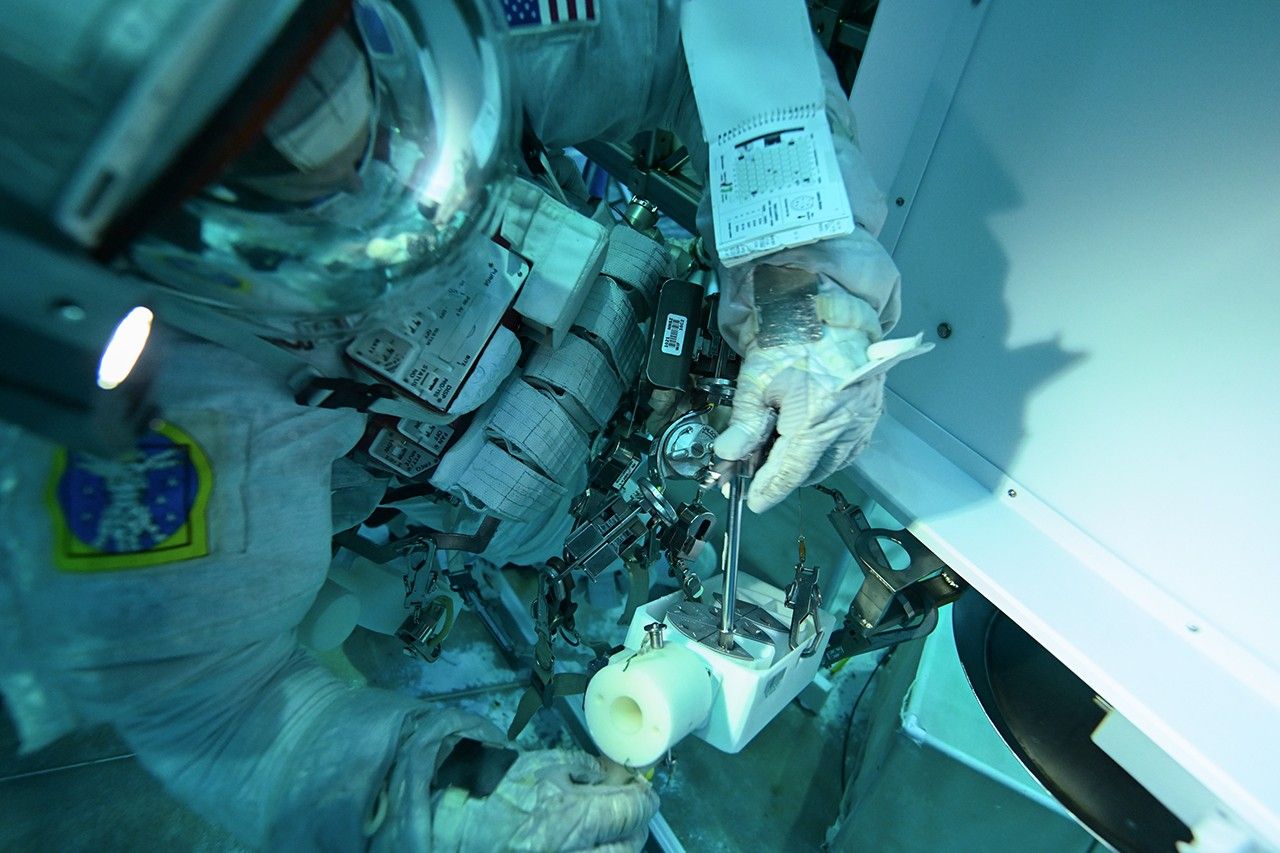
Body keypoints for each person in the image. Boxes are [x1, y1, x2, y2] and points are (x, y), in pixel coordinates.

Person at [0, 0, 915, 848]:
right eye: (268, 165)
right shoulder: (131, 407)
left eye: (355, 87)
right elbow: (218, 711)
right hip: (489, 501)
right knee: (550, 547)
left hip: (621, 358)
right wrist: (428, 797)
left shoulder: (433, 28)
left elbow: (693, 32)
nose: (373, 173)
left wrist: (800, 274)